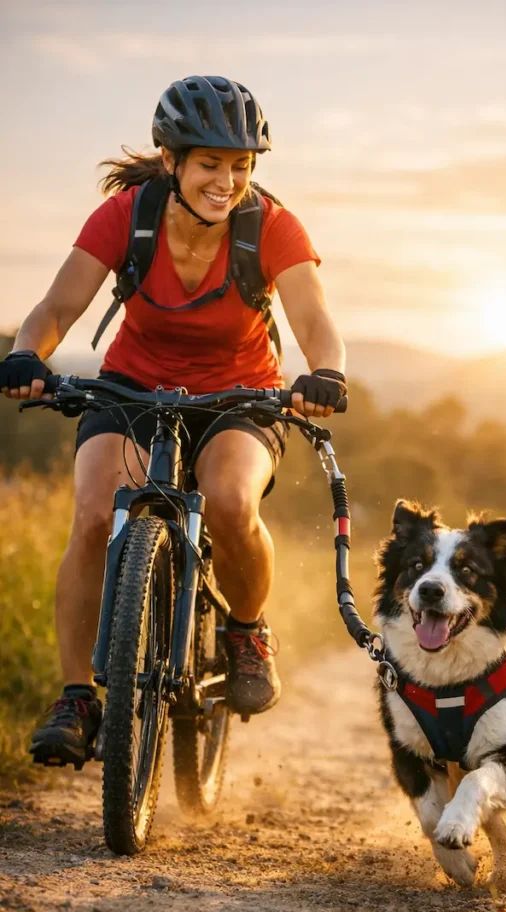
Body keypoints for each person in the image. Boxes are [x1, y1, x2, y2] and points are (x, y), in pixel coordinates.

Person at [0, 75, 347, 767]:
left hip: (240, 395)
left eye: (241, 167)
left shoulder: (271, 225)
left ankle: (246, 634)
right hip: (132, 387)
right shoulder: (127, 217)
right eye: (210, 165)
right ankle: (77, 698)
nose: (227, 182)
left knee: (228, 499)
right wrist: (24, 354)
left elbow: (313, 319)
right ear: (172, 161)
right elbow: (56, 308)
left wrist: (326, 372)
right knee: (97, 513)